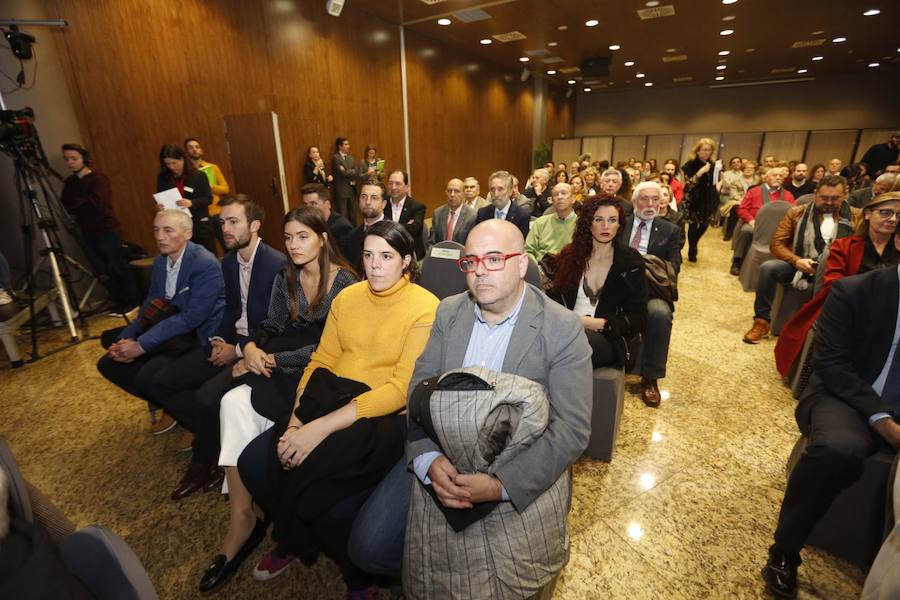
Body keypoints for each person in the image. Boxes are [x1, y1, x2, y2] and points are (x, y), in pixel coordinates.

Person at [234, 220, 438, 596]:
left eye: (387, 256)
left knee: (320, 497)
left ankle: (358, 577)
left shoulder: (425, 307)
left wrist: (319, 428)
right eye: (368, 255)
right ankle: (296, 537)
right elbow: (320, 361)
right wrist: (297, 420)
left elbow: (399, 389)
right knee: (253, 462)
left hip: (377, 417)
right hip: (327, 397)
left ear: (406, 261)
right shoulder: (349, 297)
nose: (375, 265)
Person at [400, 219, 592, 599]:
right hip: (446, 468)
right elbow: (418, 394)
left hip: (520, 475)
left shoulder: (561, 328)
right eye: (471, 261)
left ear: (522, 264)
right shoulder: (449, 312)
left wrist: (500, 486)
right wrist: (428, 460)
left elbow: (571, 429)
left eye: (493, 259)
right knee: (379, 551)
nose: (479, 272)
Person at [197, 206, 357, 593]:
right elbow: (270, 325)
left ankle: (268, 504)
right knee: (231, 403)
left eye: (303, 236)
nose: (294, 245)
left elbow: (331, 347)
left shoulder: (346, 282)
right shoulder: (287, 276)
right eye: (287, 237)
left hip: (319, 371)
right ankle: (243, 515)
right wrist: (250, 347)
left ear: (322, 237)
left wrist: (269, 359)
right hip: (279, 361)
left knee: (249, 408)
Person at [761, 263, 900, 598]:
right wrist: (884, 421)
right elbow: (833, 364)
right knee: (839, 448)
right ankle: (786, 548)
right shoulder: (855, 291)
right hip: (847, 395)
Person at [148, 195, 285, 501]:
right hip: (229, 343)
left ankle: (203, 463)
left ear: (255, 225)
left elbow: (275, 327)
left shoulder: (277, 264)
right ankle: (212, 441)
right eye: (222, 222)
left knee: (207, 396)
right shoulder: (230, 262)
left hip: (257, 350)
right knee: (163, 382)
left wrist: (237, 351)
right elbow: (230, 311)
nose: (225, 229)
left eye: (233, 222)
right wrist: (218, 340)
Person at [96, 210, 225, 431]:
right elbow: (150, 304)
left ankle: (195, 425)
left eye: (168, 230)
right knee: (108, 361)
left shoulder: (204, 263)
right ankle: (173, 405)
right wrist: (126, 337)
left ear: (188, 234)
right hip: (170, 329)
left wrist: (141, 344)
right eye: (156, 230)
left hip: (197, 337)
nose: (160, 237)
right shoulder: (160, 261)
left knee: (149, 377)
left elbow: (191, 318)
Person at [774, 192, 900, 376]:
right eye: (885, 212)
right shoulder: (844, 246)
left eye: (899, 215)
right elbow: (835, 285)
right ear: (867, 214)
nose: (893, 219)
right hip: (849, 307)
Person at [742, 175, 858, 344]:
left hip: (839, 269)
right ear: (815, 194)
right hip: (802, 264)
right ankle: (762, 321)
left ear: (845, 196)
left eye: (835, 199)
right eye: (824, 198)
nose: (829, 203)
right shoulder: (797, 212)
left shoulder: (857, 216)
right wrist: (797, 261)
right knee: (768, 268)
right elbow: (777, 244)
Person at [548, 195, 647, 369]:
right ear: (588, 223)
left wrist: (593, 323)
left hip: (608, 337)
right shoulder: (571, 256)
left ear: (619, 225)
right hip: (566, 330)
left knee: (573, 346)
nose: (606, 226)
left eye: (612, 220)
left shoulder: (631, 262)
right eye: (599, 219)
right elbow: (554, 301)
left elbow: (638, 318)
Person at [623, 182, 683, 407]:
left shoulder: (670, 230)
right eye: (644, 199)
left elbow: (673, 267)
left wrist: (642, 267)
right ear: (634, 201)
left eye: (655, 200)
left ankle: (650, 377)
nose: (650, 204)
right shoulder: (620, 224)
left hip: (652, 290)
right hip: (619, 286)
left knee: (659, 313)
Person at [59, 143, 137, 312]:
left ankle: (132, 300)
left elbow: (97, 204)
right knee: (101, 269)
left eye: (74, 158)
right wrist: (82, 203)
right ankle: (118, 300)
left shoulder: (98, 178)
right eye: (67, 159)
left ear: (84, 159)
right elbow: (66, 204)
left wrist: (79, 204)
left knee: (117, 265)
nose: (70, 163)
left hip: (107, 229)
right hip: (87, 231)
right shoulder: (71, 182)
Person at [729, 166, 796, 276]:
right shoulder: (754, 191)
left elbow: (794, 212)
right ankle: (737, 261)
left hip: (777, 228)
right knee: (746, 231)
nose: (778, 178)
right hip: (755, 224)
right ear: (766, 178)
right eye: (775, 175)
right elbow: (742, 209)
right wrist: (751, 221)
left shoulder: (788, 195)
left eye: (781, 176)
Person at [156, 144, 217, 254]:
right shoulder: (163, 178)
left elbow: (208, 198)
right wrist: (159, 206)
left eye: (174, 163)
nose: (171, 167)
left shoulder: (198, 175)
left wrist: (191, 203)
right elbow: (160, 197)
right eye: (167, 164)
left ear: (182, 159)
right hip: (176, 226)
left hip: (198, 224)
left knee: (206, 256)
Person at [185, 138, 230, 252]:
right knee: (207, 250)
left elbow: (225, 189)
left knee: (227, 245)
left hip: (216, 213)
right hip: (199, 216)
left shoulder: (212, 168)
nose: (194, 150)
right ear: (186, 152)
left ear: (201, 150)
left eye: (197, 147)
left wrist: (210, 186)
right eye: (191, 147)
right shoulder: (187, 173)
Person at [681, 138, 719, 263]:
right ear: (698, 151)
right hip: (695, 197)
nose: (707, 152)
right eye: (704, 150)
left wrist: (719, 184)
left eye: (709, 150)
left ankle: (694, 243)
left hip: (710, 197)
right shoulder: (690, 164)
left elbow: (716, 181)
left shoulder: (714, 165)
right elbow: (689, 183)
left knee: (704, 224)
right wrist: (700, 172)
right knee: (693, 224)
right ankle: (692, 250)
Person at [524, 182, 577, 263]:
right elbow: (528, 250)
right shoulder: (540, 222)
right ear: (552, 200)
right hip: (541, 268)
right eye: (556, 194)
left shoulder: (581, 224)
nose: (559, 197)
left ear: (573, 198)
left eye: (564, 193)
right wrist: (536, 268)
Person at [344, 178, 388, 273]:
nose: (367, 202)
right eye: (364, 197)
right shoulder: (352, 236)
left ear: (383, 204)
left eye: (374, 197)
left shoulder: (396, 233)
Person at [471, 170, 531, 240]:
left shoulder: (521, 215)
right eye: (492, 189)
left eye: (500, 189)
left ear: (510, 191)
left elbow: (521, 243)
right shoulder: (483, 213)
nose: (496, 194)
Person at [301, 183, 354, 256]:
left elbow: (341, 259)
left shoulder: (341, 227)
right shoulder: (307, 225)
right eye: (305, 204)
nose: (308, 209)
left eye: (313, 204)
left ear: (327, 204)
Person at [386, 170, 426, 260]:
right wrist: (406, 225)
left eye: (398, 184)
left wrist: (389, 226)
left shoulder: (417, 206)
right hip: (387, 253)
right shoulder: (382, 204)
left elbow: (415, 229)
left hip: (411, 254)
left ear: (407, 187)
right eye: (390, 183)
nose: (393, 187)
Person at [428, 178, 475, 247]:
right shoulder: (438, 213)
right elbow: (432, 241)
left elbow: (472, 245)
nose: (452, 195)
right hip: (440, 255)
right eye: (449, 191)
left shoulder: (472, 215)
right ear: (445, 192)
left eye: (456, 191)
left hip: (461, 256)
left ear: (463, 194)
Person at [331, 137, 358, 223]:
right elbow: (343, 173)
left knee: (353, 213)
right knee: (343, 213)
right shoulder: (336, 158)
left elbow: (356, 171)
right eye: (346, 144)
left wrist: (347, 170)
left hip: (352, 189)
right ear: (340, 146)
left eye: (348, 144)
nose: (348, 146)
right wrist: (350, 171)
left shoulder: (351, 158)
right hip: (341, 190)